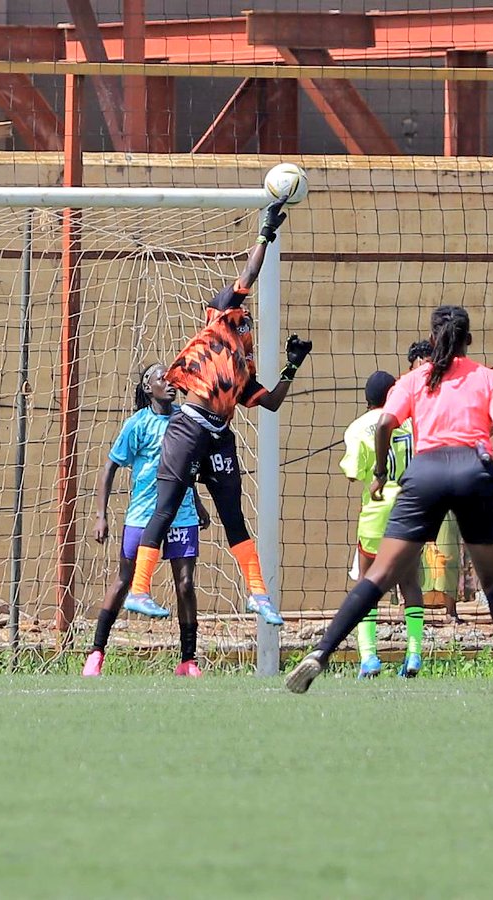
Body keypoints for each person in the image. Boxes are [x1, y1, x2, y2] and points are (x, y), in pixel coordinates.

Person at [287, 305, 493, 694]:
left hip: (425, 474)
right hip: (474, 470)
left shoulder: (413, 379)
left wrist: (380, 472)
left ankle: (321, 652)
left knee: (379, 574)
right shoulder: (489, 378)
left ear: (433, 340)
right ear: (469, 340)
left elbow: (385, 424)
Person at [121, 199, 312, 627]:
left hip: (219, 436)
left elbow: (271, 402)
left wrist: (292, 366)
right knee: (166, 507)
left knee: (234, 517)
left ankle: (258, 594)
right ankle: (139, 588)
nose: (245, 319)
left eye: (246, 318)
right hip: (188, 428)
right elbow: (249, 276)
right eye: (239, 313)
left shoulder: (242, 366)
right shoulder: (220, 322)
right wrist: (265, 234)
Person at [83, 363, 211, 677]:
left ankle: (188, 660)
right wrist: (100, 515)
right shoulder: (137, 424)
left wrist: (198, 503)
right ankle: (96, 653)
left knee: (185, 584)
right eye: (162, 379)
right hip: (143, 515)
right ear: (147, 387)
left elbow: (186, 469)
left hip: (181, 514)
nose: (170, 383)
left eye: (172, 378)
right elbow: (109, 468)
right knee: (125, 580)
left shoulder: (186, 420)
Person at [340, 370, 425, 678]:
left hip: (377, 511)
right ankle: (414, 654)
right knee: (410, 583)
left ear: (367, 399)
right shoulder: (412, 423)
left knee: (367, 581)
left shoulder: (357, 428)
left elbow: (353, 474)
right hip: (411, 507)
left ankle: (369, 657)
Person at [409, 339, 462, 623]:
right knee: (409, 548)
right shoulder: (404, 397)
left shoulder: (450, 398)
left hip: (446, 481)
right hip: (414, 483)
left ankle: (450, 609)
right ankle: (409, 609)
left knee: (448, 544)